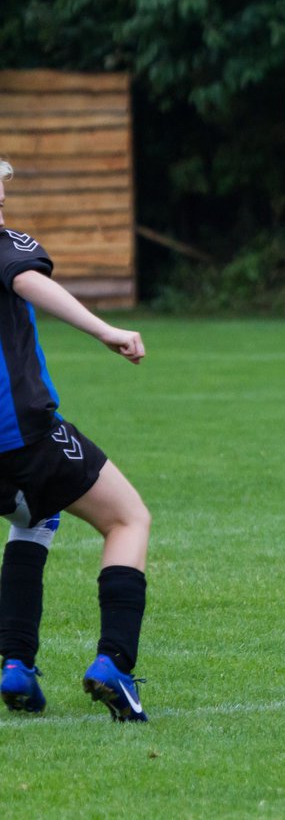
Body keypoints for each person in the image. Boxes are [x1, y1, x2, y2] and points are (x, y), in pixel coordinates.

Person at [0, 159, 153, 721]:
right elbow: (25, 279)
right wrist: (105, 329)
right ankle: (114, 662)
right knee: (128, 518)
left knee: (34, 518)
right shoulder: (6, 244)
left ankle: (16, 665)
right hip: (25, 435)